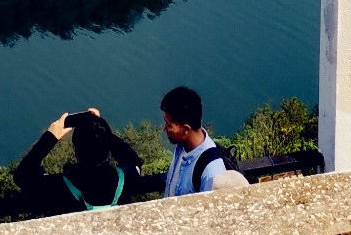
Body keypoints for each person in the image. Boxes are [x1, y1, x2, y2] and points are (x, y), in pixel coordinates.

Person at [14, 107, 142, 215]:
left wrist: (50, 137)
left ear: (76, 150)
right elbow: (134, 161)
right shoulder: (126, 178)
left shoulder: (61, 187)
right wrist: (100, 130)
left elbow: (22, 176)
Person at [160, 85, 233, 197]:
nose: (164, 128)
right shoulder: (182, 147)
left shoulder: (211, 172)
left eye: (168, 124)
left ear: (185, 130)